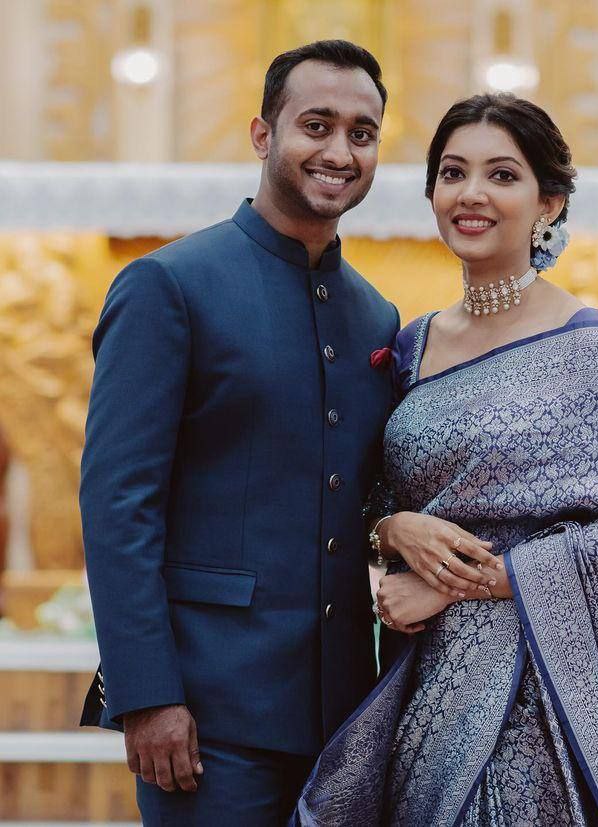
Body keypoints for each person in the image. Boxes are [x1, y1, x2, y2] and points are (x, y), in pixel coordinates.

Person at [292, 94, 598, 827]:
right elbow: (370, 497)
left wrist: (456, 589)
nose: (472, 194)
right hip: (422, 680)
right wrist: (391, 532)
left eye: (502, 175)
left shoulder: (582, 345)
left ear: (548, 201)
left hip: (533, 688)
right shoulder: (412, 345)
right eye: (453, 173)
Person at [79, 40, 408, 826]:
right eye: (316, 125)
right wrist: (147, 693)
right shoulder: (170, 286)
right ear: (263, 135)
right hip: (204, 717)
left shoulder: (376, 316)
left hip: (338, 715)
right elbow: (117, 503)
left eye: (362, 133)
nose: (339, 151)